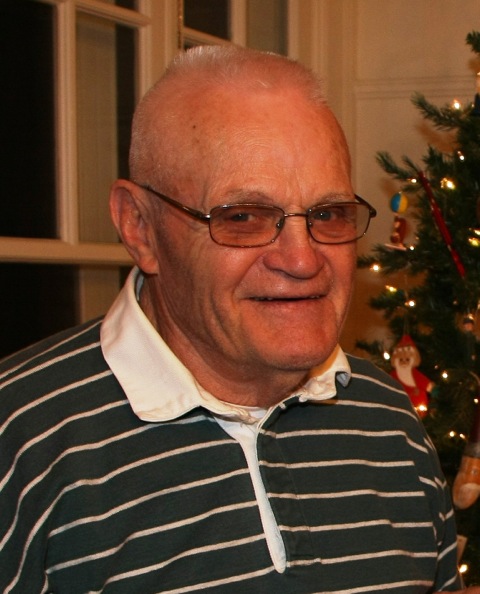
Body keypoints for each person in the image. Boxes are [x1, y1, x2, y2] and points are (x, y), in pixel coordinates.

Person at [0, 45, 477, 594]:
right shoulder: (20, 443)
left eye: (327, 214)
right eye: (244, 216)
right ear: (140, 228)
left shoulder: (390, 420)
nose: (302, 260)